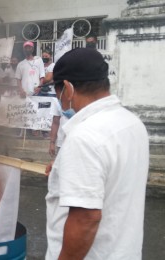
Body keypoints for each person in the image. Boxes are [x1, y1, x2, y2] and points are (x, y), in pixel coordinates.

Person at [45, 48, 149, 259]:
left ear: (68, 88)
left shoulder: (84, 136)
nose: (61, 102)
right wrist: (63, 168)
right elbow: (112, 177)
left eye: (59, 95)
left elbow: (86, 218)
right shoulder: (132, 123)